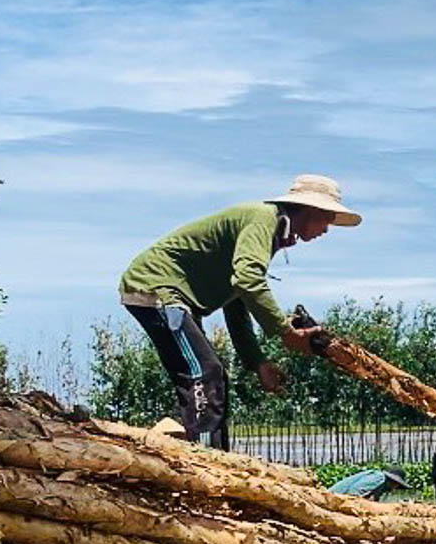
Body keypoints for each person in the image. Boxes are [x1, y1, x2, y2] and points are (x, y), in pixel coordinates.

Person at [118, 174, 360, 450]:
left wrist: (257, 362)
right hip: (157, 287)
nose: (327, 229)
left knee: (211, 374)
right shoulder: (263, 219)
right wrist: (285, 332)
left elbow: (237, 300)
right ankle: (206, 461)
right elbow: (248, 281)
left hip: (177, 297)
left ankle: (214, 457)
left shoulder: (269, 231)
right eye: (326, 219)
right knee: (204, 372)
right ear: (310, 209)